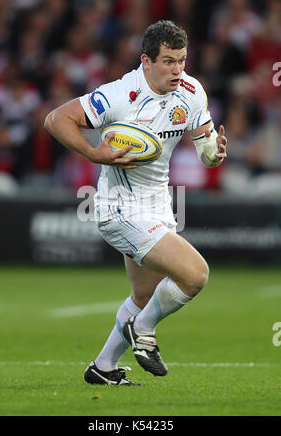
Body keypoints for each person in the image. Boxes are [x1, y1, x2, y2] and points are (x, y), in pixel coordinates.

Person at [44, 20, 227, 386]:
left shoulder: (191, 92)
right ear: (146, 61)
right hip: (119, 208)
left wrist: (215, 154)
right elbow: (56, 119)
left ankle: (103, 368)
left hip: (158, 203)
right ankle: (142, 332)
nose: (178, 70)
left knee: (145, 293)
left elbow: (206, 150)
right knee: (195, 275)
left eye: (182, 60)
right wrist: (95, 154)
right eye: (168, 61)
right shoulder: (119, 95)